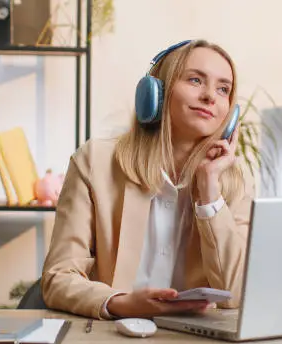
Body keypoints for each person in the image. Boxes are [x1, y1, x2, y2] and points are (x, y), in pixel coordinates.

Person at [41, 39, 255, 320]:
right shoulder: (95, 162)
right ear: (156, 92)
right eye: (195, 80)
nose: (210, 96)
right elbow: (59, 277)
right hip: (113, 332)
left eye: (223, 89)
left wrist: (209, 194)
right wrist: (120, 303)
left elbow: (235, 295)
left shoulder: (234, 181)